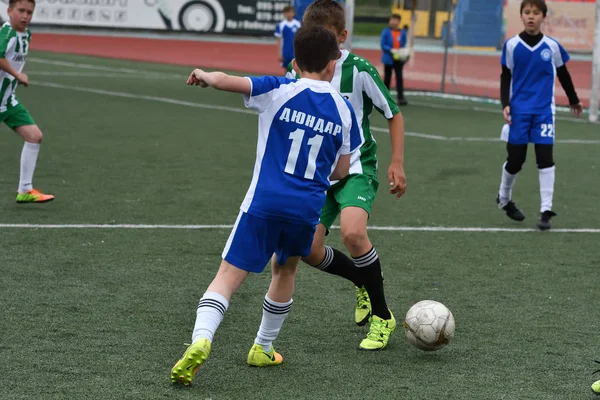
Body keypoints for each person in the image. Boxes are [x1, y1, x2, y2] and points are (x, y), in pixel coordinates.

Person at [170, 25, 362, 385]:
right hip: (306, 210)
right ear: (333, 64)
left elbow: (231, 81)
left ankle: (200, 340)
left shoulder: (280, 89)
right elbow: (341, 170)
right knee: (285, 269)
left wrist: (205, 75)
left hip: (265, 202)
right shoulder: (344, 110)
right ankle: (262, 346)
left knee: (227, 277)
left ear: (294, 61)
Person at [281, 0, 407, 351]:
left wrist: (396, 162)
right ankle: (362, 282)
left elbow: (393, 113)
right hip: (317, 174)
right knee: (307, 249)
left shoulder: (359, 69)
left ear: (342, 37)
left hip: (356, 168)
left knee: (353, 232)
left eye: (329, 41)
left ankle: (382, 317)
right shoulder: (301, 73)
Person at [497, 0, 582, 231]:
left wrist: (573, 100)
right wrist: (505, 103)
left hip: (544, 112)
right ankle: (503, 199)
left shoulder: (552, 46)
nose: (531, 16)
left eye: (536, 13)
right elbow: (505, 76)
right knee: (516, 160)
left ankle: (546, 210)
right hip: (519, 111)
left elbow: (563, 74)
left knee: (545, 159)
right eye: (527, 12)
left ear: (544, 16)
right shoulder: (512, 45)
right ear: (521, 16)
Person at [1, 0, 54, 203]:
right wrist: (17, 74)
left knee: (34, 136)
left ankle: (25, 190)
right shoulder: (7, 33)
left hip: (6, 100)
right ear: (9, 11)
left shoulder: (26, 34)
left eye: (29, 12)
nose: (25, 16)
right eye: (20, 11)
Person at [381, 13, 408, 106]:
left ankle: (401, 97)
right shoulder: (386, 31)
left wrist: (403, 53)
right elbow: (383, 44)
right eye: (392, 20)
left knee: (399, 78)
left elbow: (403, 44)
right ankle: (385, 98)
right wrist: (390, 50)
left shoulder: (402, 32)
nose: (393, 22)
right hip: (388, 58)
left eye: (396, 20)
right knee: (387, 78)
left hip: (398, 59)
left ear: (399, 22)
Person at [275, 6, 301, 71]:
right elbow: (278, 40)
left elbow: (301, 39)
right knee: (286, 69)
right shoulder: (281, 25)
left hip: (295, 51)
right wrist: (279, 54)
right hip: (285, 51)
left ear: (294, 13)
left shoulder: (298, 24)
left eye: (291, 12)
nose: (289, 14)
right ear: (284, 14)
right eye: (287, 12)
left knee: (296, 68)